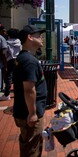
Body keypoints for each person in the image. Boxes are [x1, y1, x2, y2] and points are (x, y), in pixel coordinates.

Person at [12, 25, 47, 157]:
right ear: (30, 37)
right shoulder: (29, 61)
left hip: (25, 111)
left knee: (30, 144)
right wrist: (32, 113)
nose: (41, 38)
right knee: (31, 149)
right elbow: (29, 90)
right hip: (29, 113)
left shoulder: (23, 57)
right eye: (39, 35)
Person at [0, 28, 21, 101]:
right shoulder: (19, 42)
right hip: (18, 60)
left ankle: (7, 94)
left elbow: (4, 53)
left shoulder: (7, 42)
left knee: (8, 77)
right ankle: (18, 93)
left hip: (10, 61)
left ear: (9, 35)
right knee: (18, 77)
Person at [0, 26, 8, 92]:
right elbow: (3, 53)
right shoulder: (2, 39)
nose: (5, 33)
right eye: (3, 31)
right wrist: (5, 64)